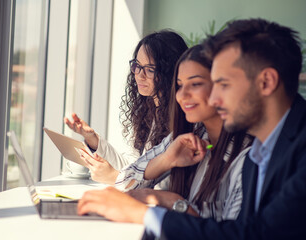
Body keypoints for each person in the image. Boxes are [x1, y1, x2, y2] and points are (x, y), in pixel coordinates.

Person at [77, 18, 306, 240]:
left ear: (266, 82)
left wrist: (152, 211)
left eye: (223, 85)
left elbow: (246, 234)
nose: (214, 99)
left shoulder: (267, 153)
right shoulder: (261, 150)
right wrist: (166, 164)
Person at [114, 45, 252, 221]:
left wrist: (175, 203)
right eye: (179, 85)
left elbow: (232, 235)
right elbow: (122, 185)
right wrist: (166, 160)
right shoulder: (190, 136)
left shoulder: (247, 157)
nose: (182, 95)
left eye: (195, 84)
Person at [64, 30, 188, 184]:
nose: (139, 75)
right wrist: (93, 140)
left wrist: (114, 178)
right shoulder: (154, 112)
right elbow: (134, 167)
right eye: (137, 66)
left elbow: (161, 187)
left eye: (150, 69)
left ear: (170, 72)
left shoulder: (181, 121)